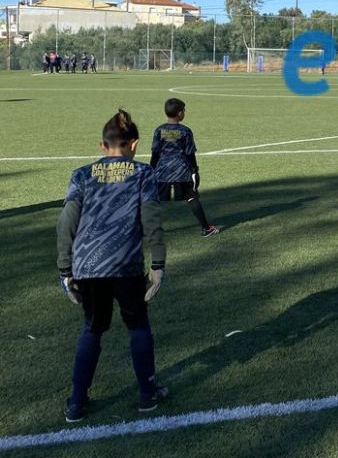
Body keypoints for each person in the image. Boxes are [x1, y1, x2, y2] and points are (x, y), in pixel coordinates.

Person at [56, 109, 168, 423]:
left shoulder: (81, 174)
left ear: (102, 146)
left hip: (87, 265)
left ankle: (77, 402)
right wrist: (158, 264)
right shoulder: (143, 173)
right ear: (134, 144)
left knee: (92, 328)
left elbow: (66, 223)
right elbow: (152, 221)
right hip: (125, 265)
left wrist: (65, 270)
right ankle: (147, 395)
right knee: (138, 326)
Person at [150, 98, 220, 237]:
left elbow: (155, 153)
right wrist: (194, 170)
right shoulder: (185, 131)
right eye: (184, 110)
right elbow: (189, 153)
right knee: (192, 197)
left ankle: (147, 230)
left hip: (162, 171)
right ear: (179, 113)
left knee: (153, 200)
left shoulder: (159, 130)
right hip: (182, 171)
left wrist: (151, 169)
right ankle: (206, 228)